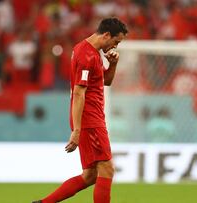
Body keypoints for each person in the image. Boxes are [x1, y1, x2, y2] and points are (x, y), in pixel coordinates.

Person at [33, 17, 128, 203]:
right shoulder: (86, 55)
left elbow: (105, 81)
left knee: (90, 175)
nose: (115, 46)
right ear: (106, 35)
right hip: (89, 119)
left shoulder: (90, 51)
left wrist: (113, 64)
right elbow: (78, 93)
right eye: (116, 42)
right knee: (107, 168)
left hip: (91, 117)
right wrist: (76, 131)